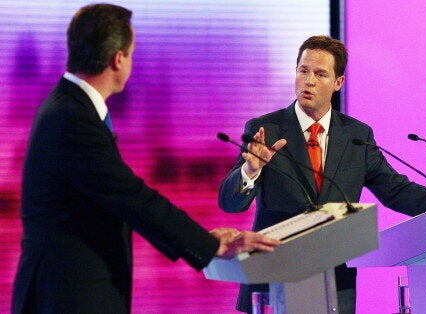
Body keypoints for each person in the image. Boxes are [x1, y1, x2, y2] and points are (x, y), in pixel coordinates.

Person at [11, 4, 280, 313]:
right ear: (118, 59)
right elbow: (130, 196)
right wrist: (211, 246)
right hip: (66, 296)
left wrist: (202, 240)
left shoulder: (68, 108)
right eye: (132, 53)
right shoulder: (71, 117)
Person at [219, 35, 426, 314]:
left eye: (320, 74)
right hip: (274, 277)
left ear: (338, 82)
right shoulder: (266, 128)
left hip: (334, 280)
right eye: (303, 71)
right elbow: (230, 203)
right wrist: (250, 171)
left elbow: (395, 189)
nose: (309, 81)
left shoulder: (356, 135)